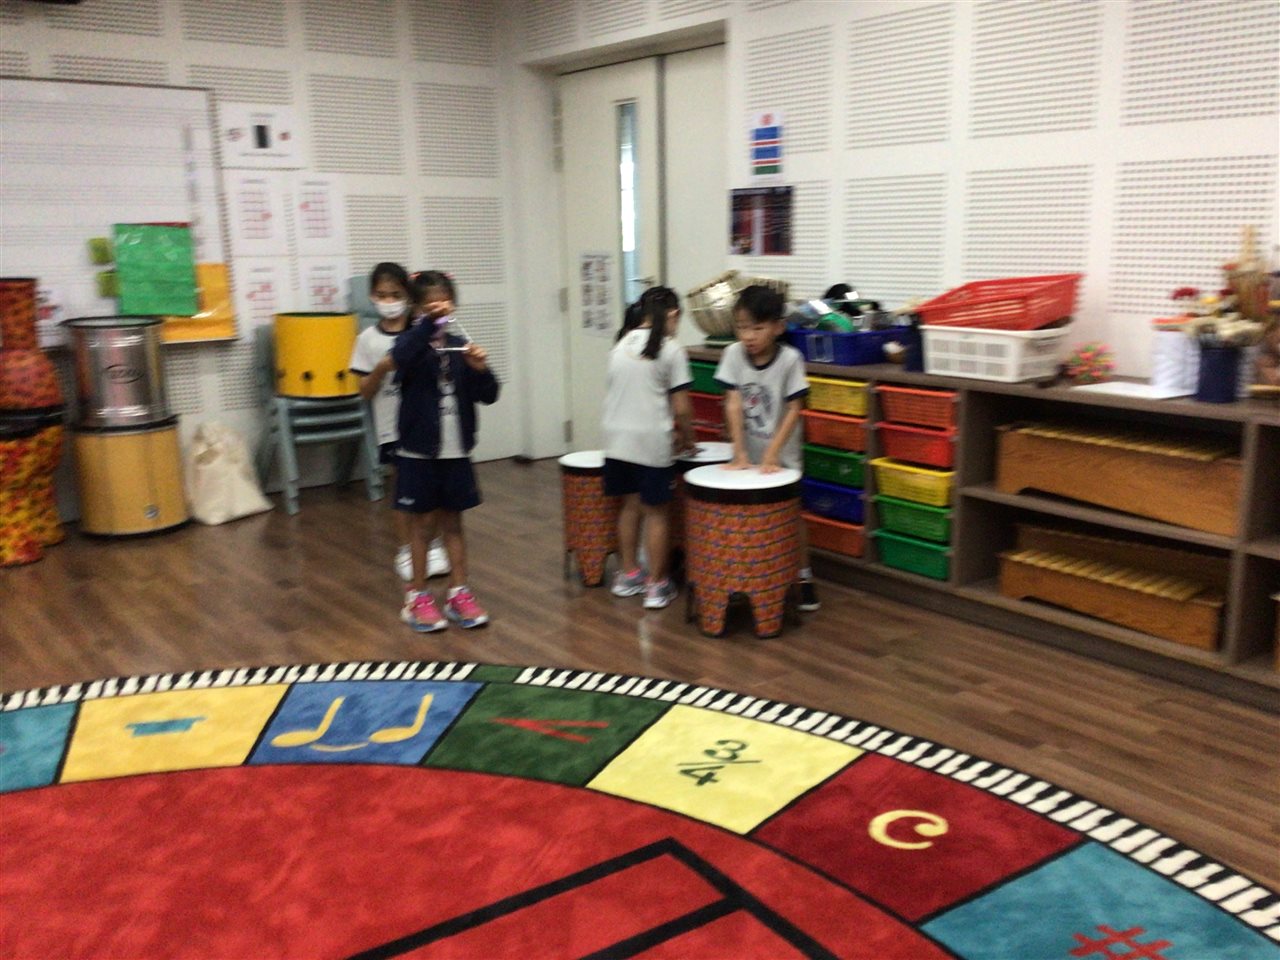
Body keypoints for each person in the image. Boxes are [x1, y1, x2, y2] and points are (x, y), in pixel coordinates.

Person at [369, 270, 500, 632]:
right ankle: (417, 597)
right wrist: (428, 324)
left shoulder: (458, 345)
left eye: (444, 302)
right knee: (422, 526)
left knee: (453, 523)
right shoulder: (410, 344)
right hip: (417, 453)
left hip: (456, 452)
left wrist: (481, 370)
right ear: (417, 309)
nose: (439, 309)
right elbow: (400, 357)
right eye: (429, 305)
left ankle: (459, 592)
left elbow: (489, 394)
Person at [715, 284, 819, 612]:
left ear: (778, 327)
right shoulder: (733, 354)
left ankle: (803, 577)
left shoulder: (790, 360)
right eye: (742, 327)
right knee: (748, 518)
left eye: (757, 328)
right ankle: (754, 577)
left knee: (790, 516)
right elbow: (733, 403)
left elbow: (794, 409)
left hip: (783, 457)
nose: (748, 336)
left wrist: (773, 453)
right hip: (749, 457)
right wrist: (740, 451)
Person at [349, 262, 449, 583]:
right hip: (392, 428)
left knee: (435, 487)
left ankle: (434, 546)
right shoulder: (367, 339)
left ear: (408, 296)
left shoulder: (420, 332)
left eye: (395, 294)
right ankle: (407, 549)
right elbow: (364, 392)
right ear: (371, 296)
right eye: (382, 295)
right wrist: (381, 369)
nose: (389, 301)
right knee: (404, 489)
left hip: (425, 422)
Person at [602, 286, 695, 610]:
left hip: (615, 440)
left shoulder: (621, 344)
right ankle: (656, 584)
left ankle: (628, 575)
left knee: (629, 507)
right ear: (673, 314)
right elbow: (682, 407)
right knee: (657, 513)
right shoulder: (672, 349)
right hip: (650, 441)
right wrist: (689, 438)